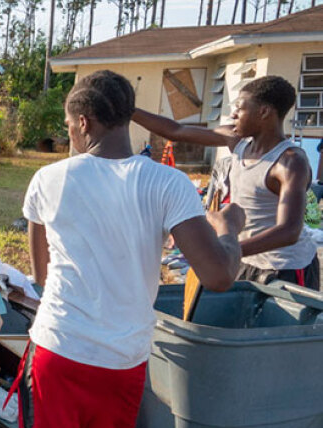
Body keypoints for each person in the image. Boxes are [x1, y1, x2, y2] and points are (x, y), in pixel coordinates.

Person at [8, 70, 245, 428]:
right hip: (125, 358)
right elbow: (218, 274)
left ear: (84, 121)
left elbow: (42, 276)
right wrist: (229, 231)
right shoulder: (166, 183)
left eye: (69, 124)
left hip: (60, 353)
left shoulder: (49, 180)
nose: (68, 133)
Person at [133, 75, 319, 289]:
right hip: (244, 258)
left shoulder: (289, 162)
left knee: (275, 323)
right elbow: (175, 131)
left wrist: (228, 249)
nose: (233, 115)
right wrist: (129, 111)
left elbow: (289, 231)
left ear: (264, 112)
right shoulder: (237, 141)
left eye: (240, 109)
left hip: (286, 268)